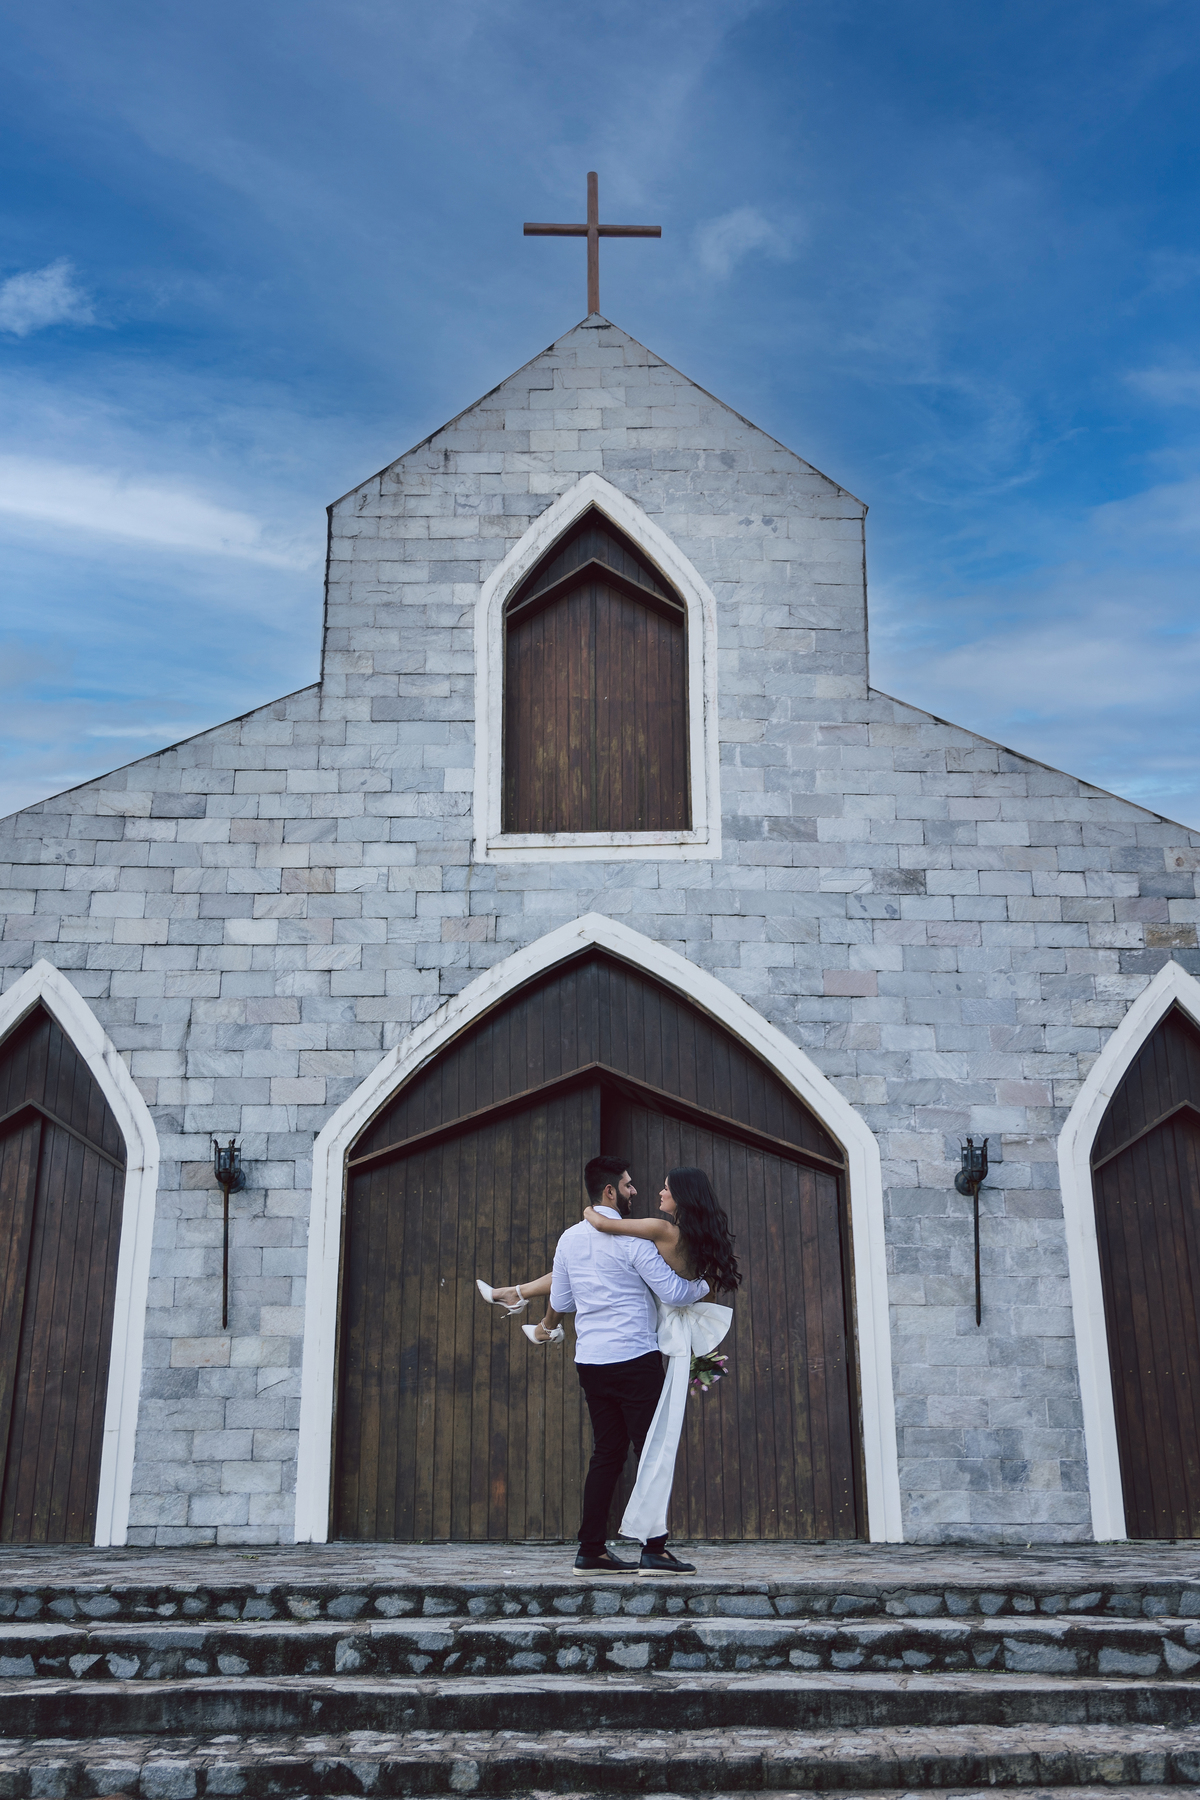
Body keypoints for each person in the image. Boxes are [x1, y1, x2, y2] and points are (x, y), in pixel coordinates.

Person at [537, 1155, 711, 1575]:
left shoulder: (568, 1240)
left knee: (607, 1453)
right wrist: (706, 1281)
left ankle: (591, 1550)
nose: (636, 1191)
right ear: (610, 1191)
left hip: (591, 1361)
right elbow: (674, 1292)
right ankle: (653, 1550)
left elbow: (561, 1303)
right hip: (634, 1358)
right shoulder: (635, 1242)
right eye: (629, 1185)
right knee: (649, 1452)